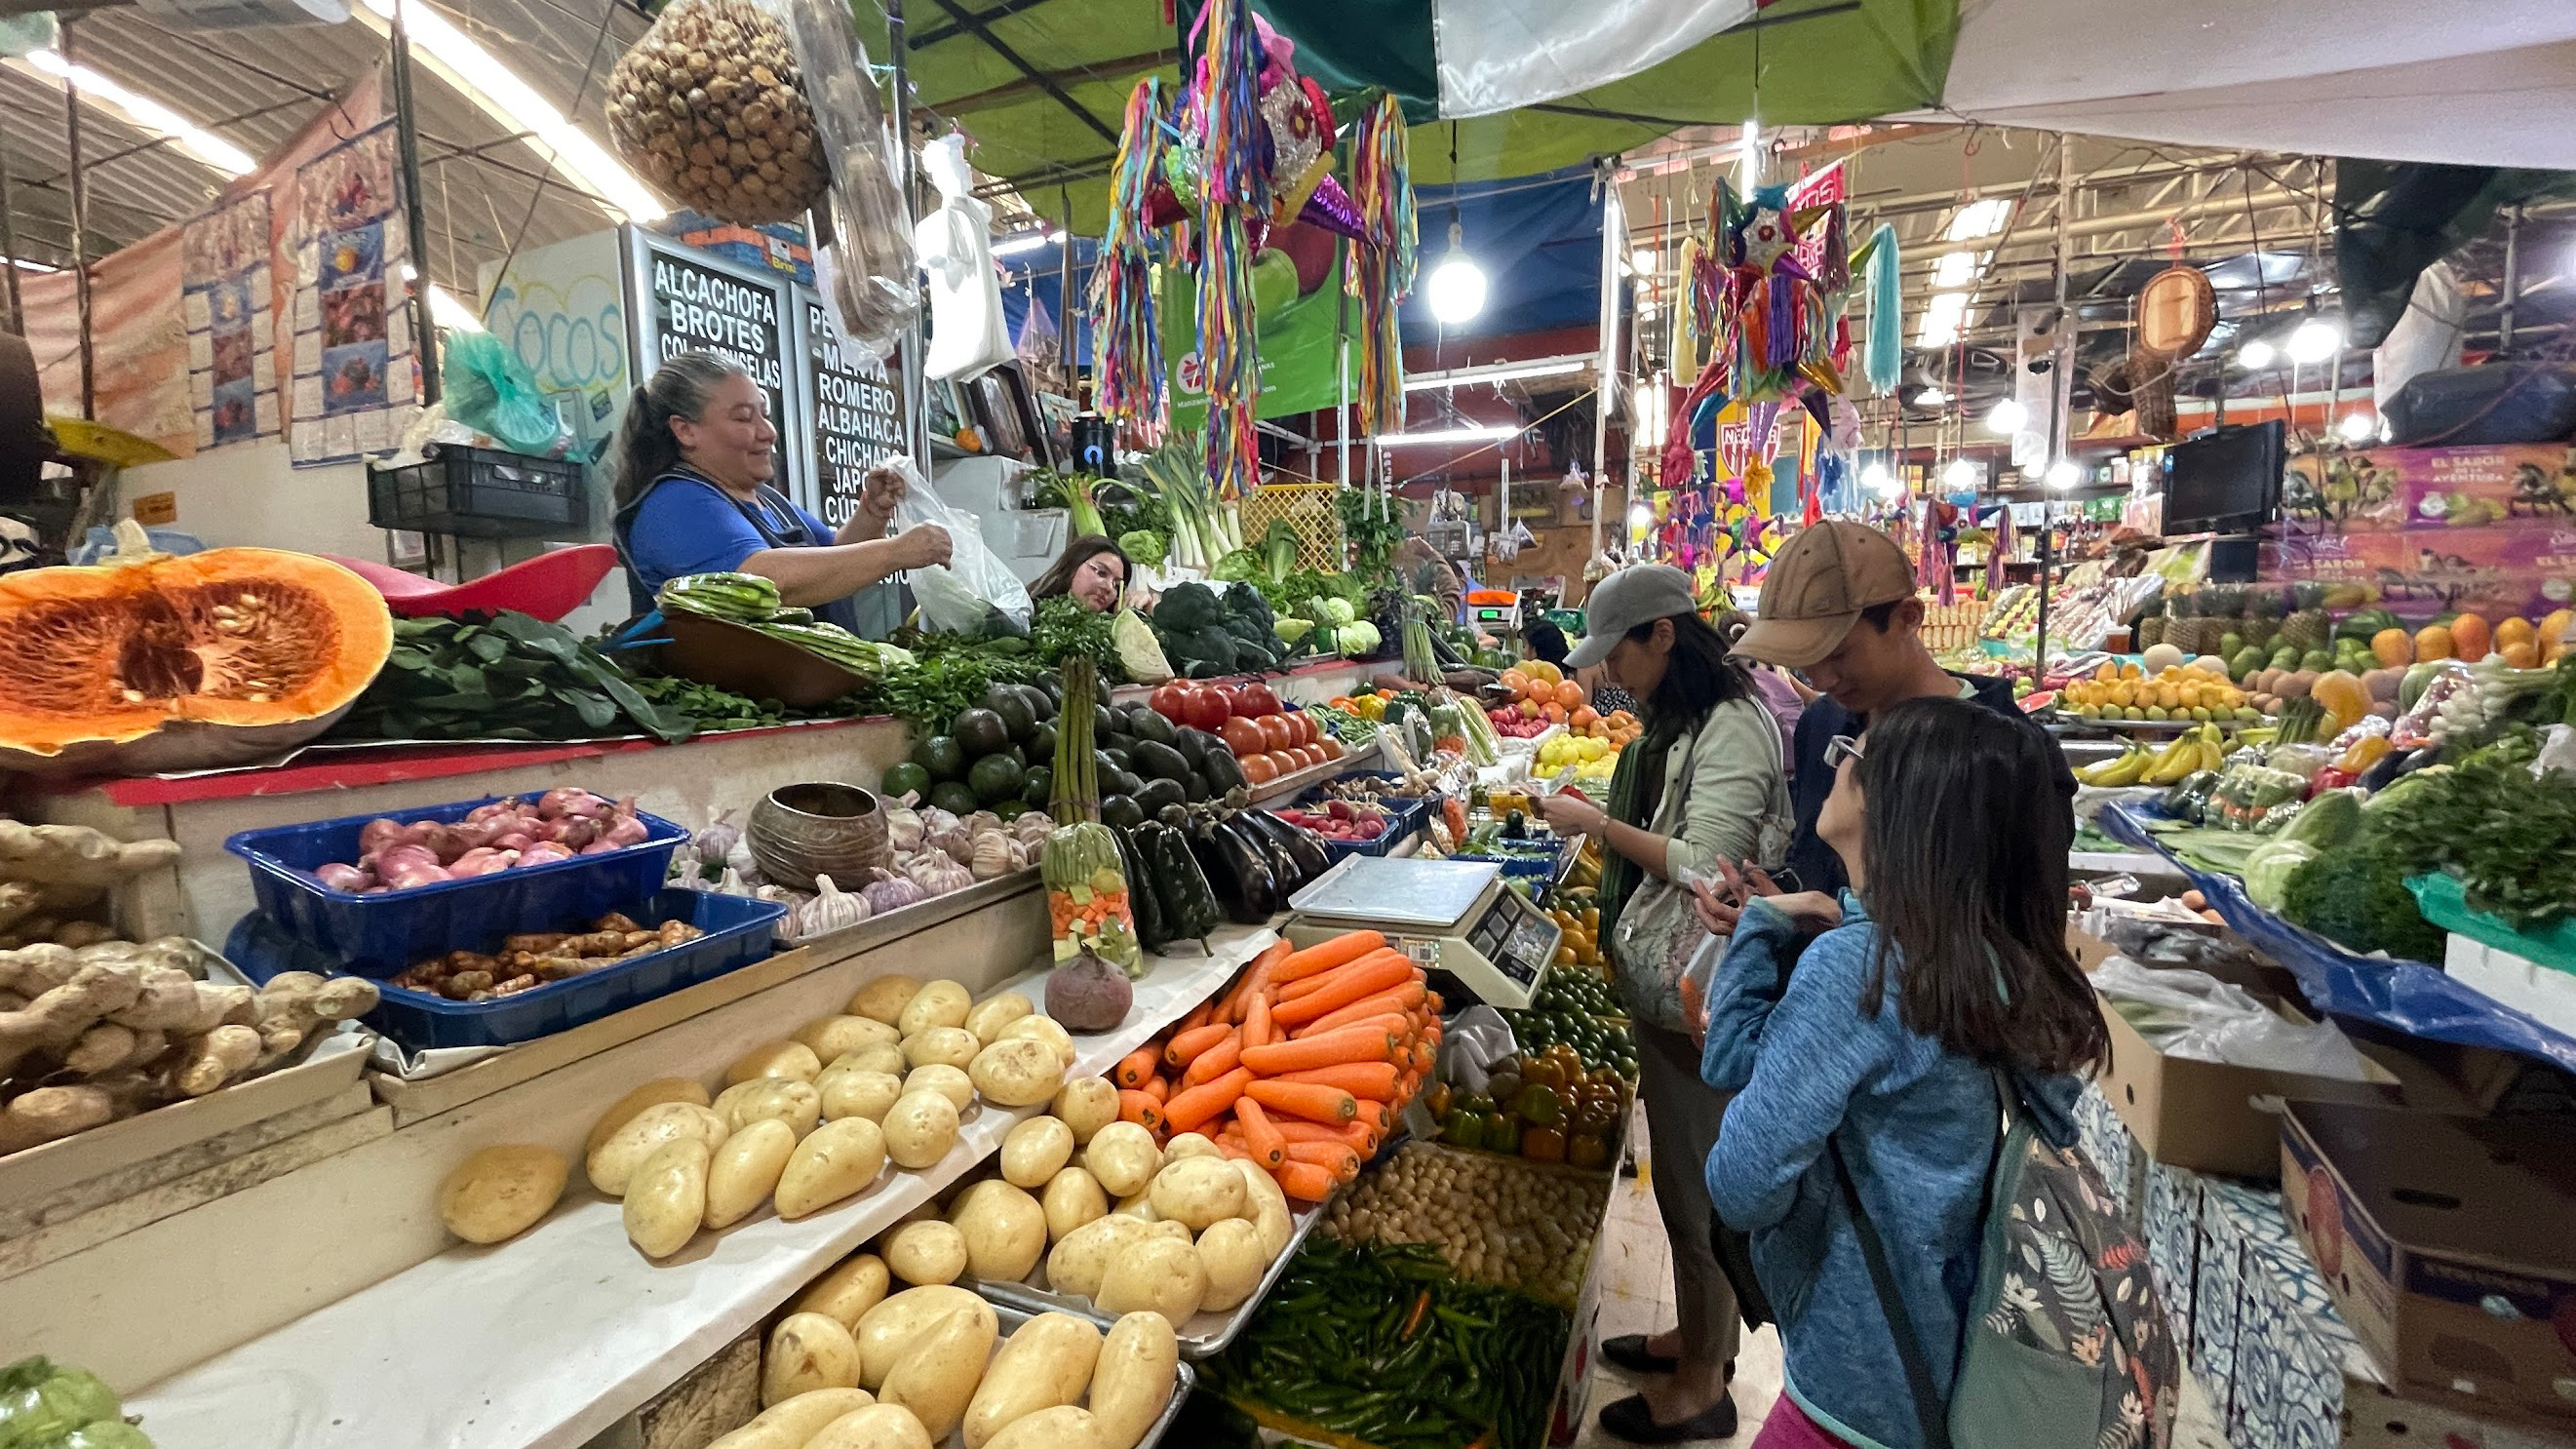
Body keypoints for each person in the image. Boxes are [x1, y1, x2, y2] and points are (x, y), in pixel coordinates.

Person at [1697, 698, 2104, 1449]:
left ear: (1897, 804)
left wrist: (1775, 935)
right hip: (1941, 1350)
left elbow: (1741, 1186)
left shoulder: (1860, 969)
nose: (1837, 762)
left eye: (1853, 752)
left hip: (1853, 1383)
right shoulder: (1985, 957)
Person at [1530, 565, 1791, 1444]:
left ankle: (1703, 1388)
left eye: (1620, 652)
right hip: (1681, 988)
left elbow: (1705, 865)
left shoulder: (1732, 728)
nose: (1611, 672)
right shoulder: (1692, 721)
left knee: (1698, 1191)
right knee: (1683, 1181)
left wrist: (1597, 826)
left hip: (1703, 991)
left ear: (1665, 635)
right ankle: (1697, 1341)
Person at [1725, 520, 2073, 904]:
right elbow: (1814, 864)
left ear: (1907, 617)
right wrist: (1774, 903)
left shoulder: (2009, 755)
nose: (1821, 679)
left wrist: (1839, 925)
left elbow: (2019, 920)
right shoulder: (1822, 723)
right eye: (1804, 659)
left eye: (1838, 654)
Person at [612, 352, 952, 634]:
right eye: (744, 418)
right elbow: (765, 581)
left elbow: (833, 557)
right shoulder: (675, 504)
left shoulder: (765, 499)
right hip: (741, 697)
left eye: (765, 414)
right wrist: (894, 552)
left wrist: (872, 513)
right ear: (685, 430)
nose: (769, 432)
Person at [1029, 534, 1130, 613]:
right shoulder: (1026, 614)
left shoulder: (1107, 630)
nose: (1109, 588)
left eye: (1116, 585)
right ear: (1073, 565)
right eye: (1101, 573)